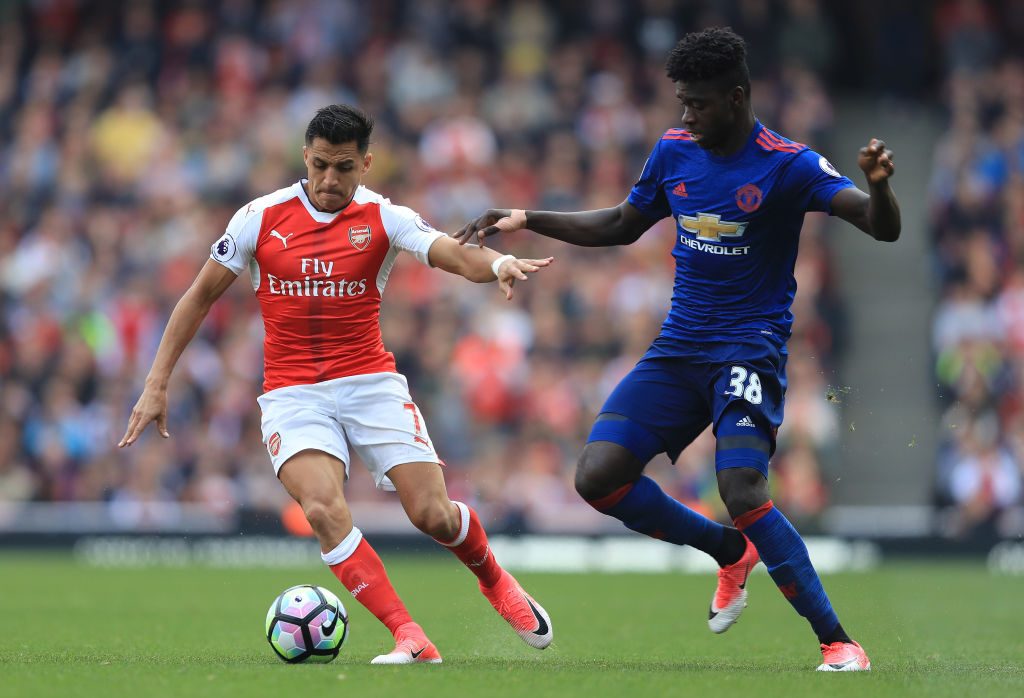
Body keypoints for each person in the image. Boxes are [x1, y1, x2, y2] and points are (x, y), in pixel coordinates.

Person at [455, 27, 900, 672]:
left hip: (748, 353)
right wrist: (524, 218)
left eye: (698, 103)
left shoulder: (789, 163)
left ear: (738, 97)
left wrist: (880, 186)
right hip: (680, 348)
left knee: (742, 486)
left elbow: (881, 227)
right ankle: (728, 552)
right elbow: (619, 224)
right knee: (597, 476)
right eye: (681, 102)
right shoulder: (674, 151)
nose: (685, 115)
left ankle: (838, 641)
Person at [119, 104, 554, 665]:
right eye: (320, 164)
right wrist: (156, 384)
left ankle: (495, 581)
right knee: (324, 509)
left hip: (370, 383)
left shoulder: (384, 216)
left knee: (433, 515)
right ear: (305, 156)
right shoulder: (259, 217)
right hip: (292, 393)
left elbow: (450, 253)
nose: (329, 179)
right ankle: (409, 635)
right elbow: (197, 297)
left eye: (343, 168)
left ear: (366, 164)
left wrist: (495, 266)